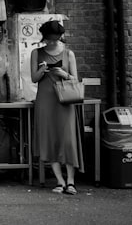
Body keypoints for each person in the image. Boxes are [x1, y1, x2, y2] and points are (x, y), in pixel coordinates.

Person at [31, 19, 83, 195]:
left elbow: (76, 79)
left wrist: (64, 74)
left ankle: (71, 181)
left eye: (55, 39)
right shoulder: (36, 53)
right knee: (50, 139)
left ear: (61, 37)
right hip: (45, 101)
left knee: (68, 140)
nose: (52, 42)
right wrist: (42, 70)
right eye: (49, 39)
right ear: (44, 38)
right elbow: (34, 78)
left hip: (64, 100)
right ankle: (60, 181)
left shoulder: (69, 54)